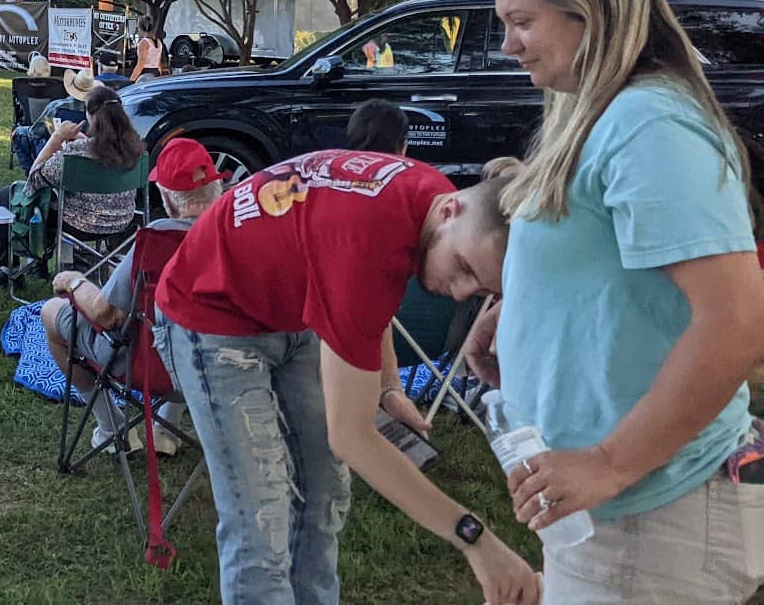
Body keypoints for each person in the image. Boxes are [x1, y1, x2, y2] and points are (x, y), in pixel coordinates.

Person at [463, 0, 764, 604]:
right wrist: (517, 311)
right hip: (609, 516)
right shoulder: (594, 111)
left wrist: (609, 462)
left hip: (655, 512)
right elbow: (607, 258)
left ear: (590, 11)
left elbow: (737, 320)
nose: (508, 45)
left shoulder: (648, 124)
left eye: (523, 22)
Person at [153, 146, 535, 604]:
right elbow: (353, 438)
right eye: (465, 269)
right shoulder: (367, 238)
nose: (460, 292)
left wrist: (388, 385)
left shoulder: (430, 199)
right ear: (451, 211)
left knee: (324, 494)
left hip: (293, 313)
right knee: (259, 514)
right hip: (211, 313)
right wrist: (476, 539)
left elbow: (373, 303)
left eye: (483, 290)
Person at [42, 137, 223, 453]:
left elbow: (105, 315)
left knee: (51, 313)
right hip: (215, 367)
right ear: (216, 190)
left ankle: (113, 429)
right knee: (187, 323)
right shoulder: (234, 236)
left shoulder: (157, 241)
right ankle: (167, 427)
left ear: (167, 198)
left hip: (143, 368)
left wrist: (73, 281)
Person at [22, 84, 145, 270]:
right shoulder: (136, 151)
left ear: (90, 114)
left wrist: (55, 139)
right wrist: (83, 140)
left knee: (17, 196)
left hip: (79, 225)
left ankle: (21, 265)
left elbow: (34, 179)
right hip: (123, 222)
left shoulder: (75, 153)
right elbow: (100, 152)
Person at [9, 67, 95, 175]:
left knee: (19, 134)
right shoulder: (97, 111)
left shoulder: (56, 107)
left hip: (55, 154)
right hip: (87, 157)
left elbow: (36, 132)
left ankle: (31, 175)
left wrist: (20, 130)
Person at [130, 16, 165, 82]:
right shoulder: (158, 42)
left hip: (145, 73)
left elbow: (141, 64)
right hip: (156, 72)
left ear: (140, 28)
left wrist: (132, 79)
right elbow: (159, 62)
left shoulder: (144, 43)